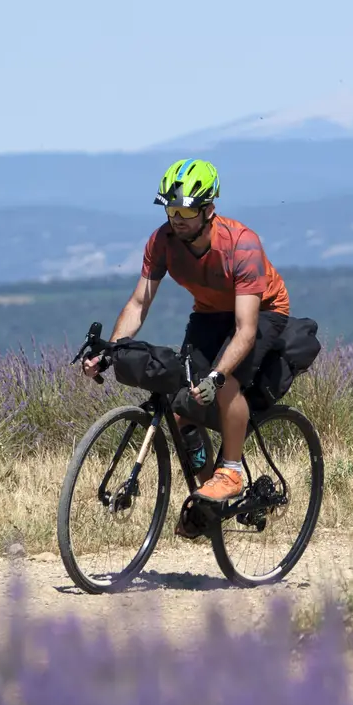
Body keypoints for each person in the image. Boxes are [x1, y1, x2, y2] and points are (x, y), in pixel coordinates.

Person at [81, 158, 291, 513]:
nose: (176, 218)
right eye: (170, 209)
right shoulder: (162, 242)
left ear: (209, 210)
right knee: (181, 404)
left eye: (185, 211)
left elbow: (245, 329)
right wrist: (112, 350)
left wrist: (216, 375)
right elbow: (138, 302)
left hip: (263, 310)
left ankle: (232, 471)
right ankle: (208, 502)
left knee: (224, 385)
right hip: (210, 312)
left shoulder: (242, 245)